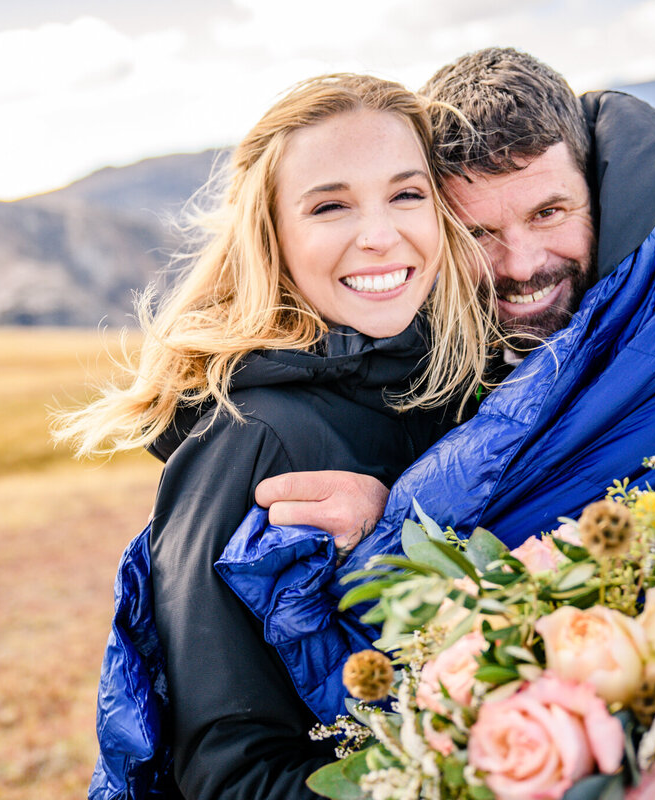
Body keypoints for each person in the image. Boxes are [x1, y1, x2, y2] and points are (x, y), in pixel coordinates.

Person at [224, 47, 655, 725]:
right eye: (480, 231)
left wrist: (390, 525)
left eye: (550, 213)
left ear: (599, 190)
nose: (522, 266)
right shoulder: (471, 339)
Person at [54, 74, 497, 800]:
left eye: (407, 194)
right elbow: (231, 776)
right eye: (330, 206)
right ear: (272, 237)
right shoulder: (255, 439)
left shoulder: (451, 384)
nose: (380, 234)